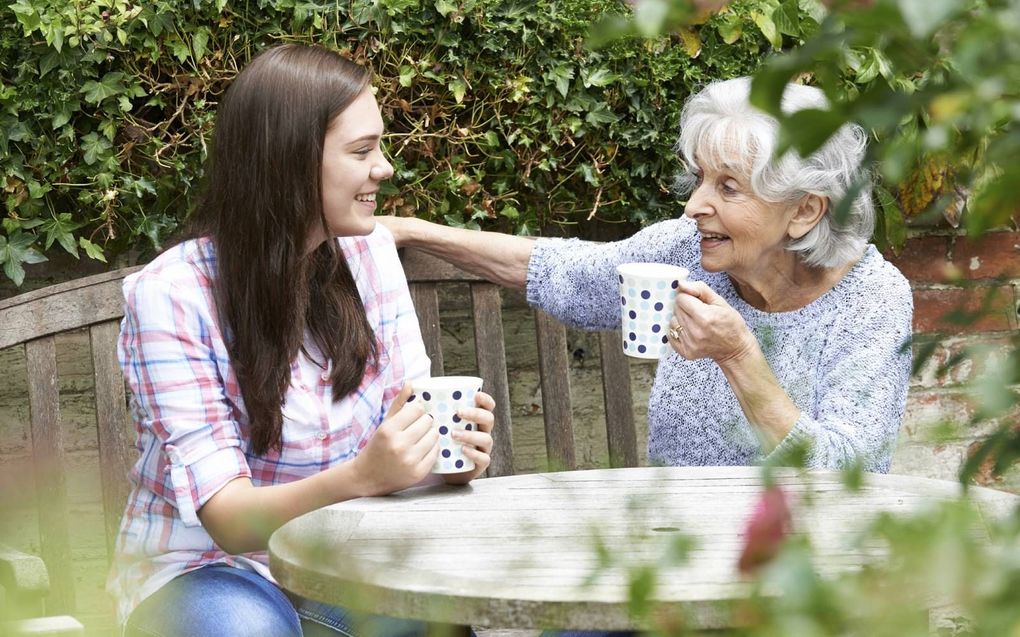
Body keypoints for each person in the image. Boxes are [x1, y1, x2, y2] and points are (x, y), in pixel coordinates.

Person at [107, 44, 496, 637]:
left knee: (434, 622)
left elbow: (405, 429)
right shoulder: (172, 295)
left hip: (345, 559)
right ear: (287, 161)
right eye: (361, 150)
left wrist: (442, 456)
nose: (384, 167)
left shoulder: (369, 259)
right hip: (207, 570)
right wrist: (363, 477)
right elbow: (230, 521)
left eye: (379, 146)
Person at [381, 76, 912, 474]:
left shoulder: (870, 301)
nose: (694, 205)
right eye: (702, 178)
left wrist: (739, 356)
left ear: (804, 211)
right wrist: (411, 231)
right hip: (670, 552)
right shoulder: (687, 249)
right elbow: (561, 271)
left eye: (728, 187)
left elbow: (851, 476)